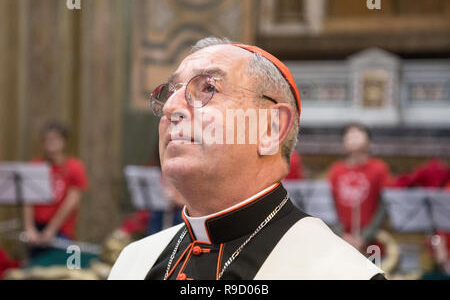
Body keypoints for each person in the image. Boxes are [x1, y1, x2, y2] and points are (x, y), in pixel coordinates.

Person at [108, 37, 384, 280]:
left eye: (208, 88)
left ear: (270, 129)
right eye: (171, 91)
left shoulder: (340, 273)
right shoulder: (135, 261)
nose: (170, 107)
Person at [24, 122, 88, 259]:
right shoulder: (36, 164)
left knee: (62, 267)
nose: (49, 143)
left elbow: (71, 202)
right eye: (46, 140)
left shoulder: (74, 166)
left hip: (61, 230)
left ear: (64, 142)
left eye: (54, 139)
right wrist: (29, 228)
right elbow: (28, 200)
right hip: (37, 228)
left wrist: (51, 230)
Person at [328, 124, 390, 253]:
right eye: (349, 135)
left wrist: (365, 237)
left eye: (358, 133)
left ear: (369, 143)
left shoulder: (379, 169)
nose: (353, 137)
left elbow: (385, 206)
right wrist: (341, 234)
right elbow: (329, 206)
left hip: (372, 242)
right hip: (341, 242)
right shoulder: (336, 170)